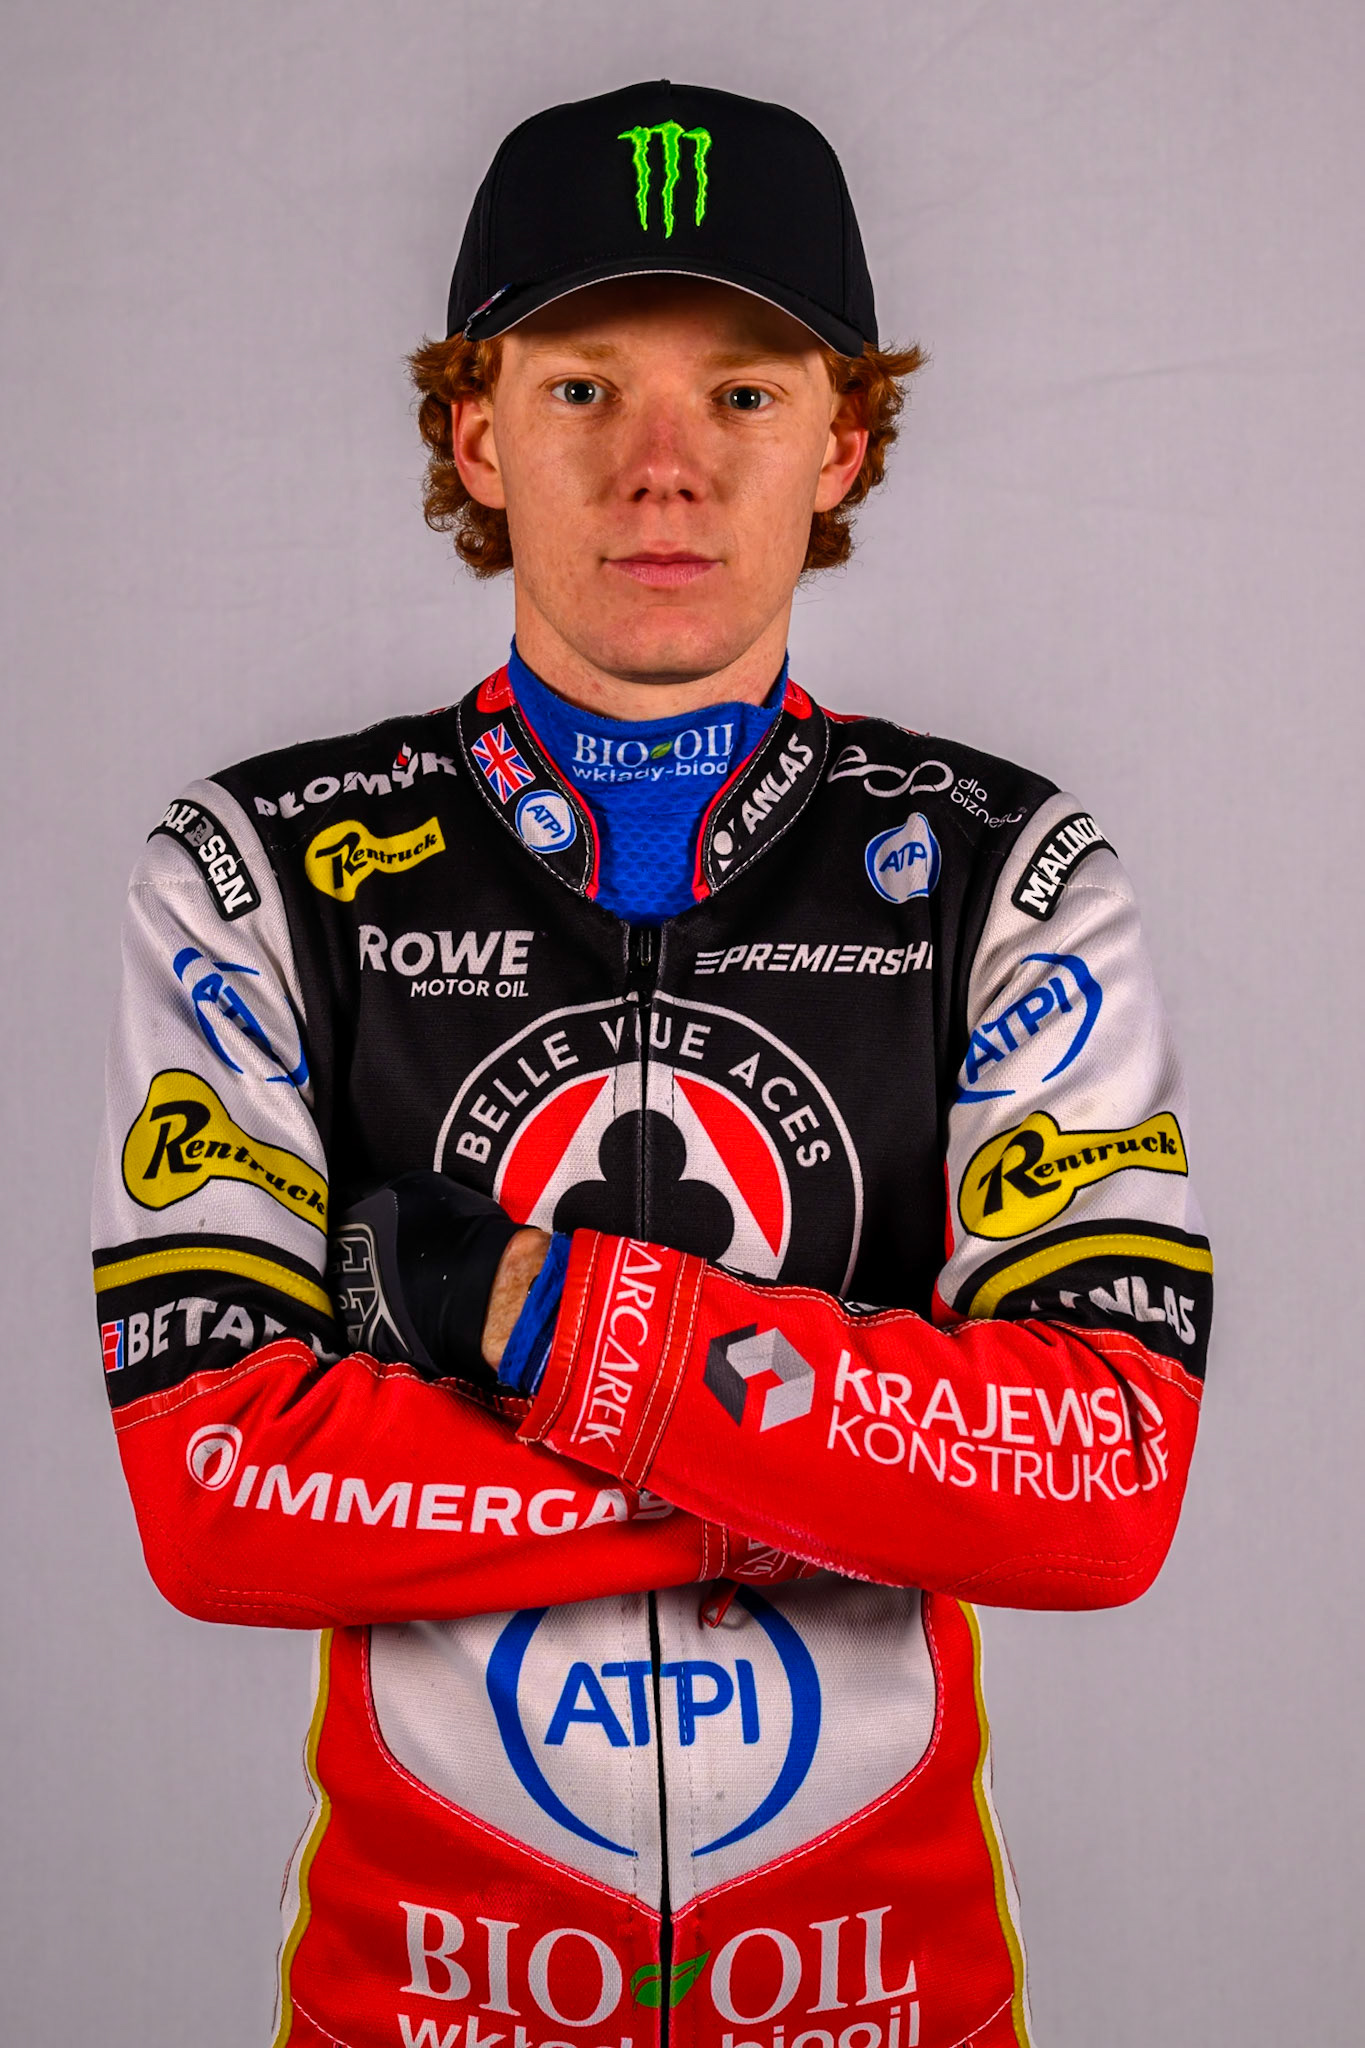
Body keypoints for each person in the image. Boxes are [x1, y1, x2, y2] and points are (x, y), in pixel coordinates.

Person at [92, 78, 1212, 2048]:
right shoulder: (257, 863)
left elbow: (1101, 1482)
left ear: (843, 438)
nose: (663, 471)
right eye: (585, 387)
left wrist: (524, 1310)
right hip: (419, 2008)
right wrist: (833, 1458)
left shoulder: (1003, 872)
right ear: (473, 429)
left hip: (885, 2004)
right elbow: (214, 1491)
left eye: (749, 393)